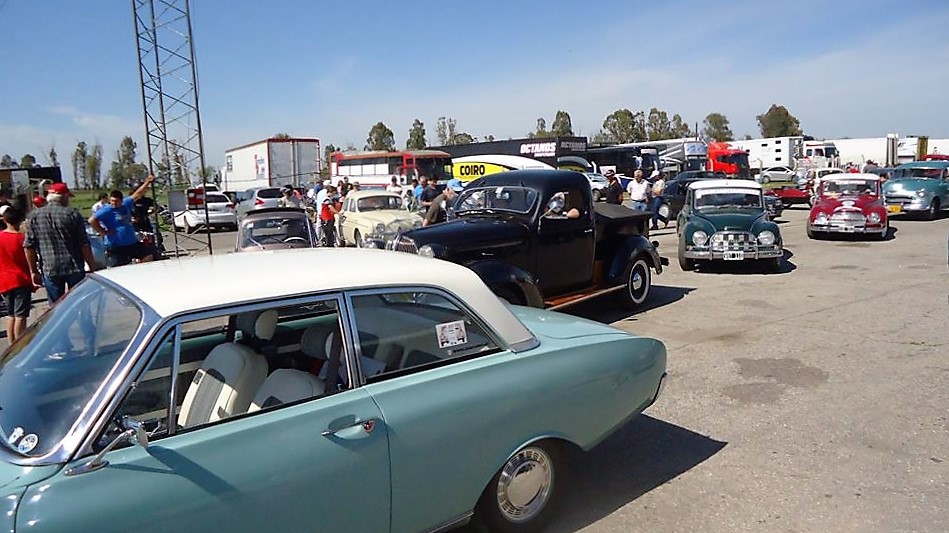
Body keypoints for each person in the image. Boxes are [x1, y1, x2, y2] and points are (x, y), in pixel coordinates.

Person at [24, 182, 98, 303]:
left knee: (56, 306)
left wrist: (33, 271)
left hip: (49, 267)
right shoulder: (72, 214)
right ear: (64, 196)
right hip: (74, 266)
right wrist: (92, 265)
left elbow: (29, 246)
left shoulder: (34, 216)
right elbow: (84, 244)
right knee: (79, 302)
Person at [90, 176, 156, 267]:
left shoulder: (126, 203)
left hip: (131, 242)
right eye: (112, 201)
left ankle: (140, 268)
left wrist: (147, 182)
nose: (114, 203)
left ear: (121, 201)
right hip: (116, 245)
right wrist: (103, 232)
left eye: (116, 201)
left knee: (148, 256)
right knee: (116, 267)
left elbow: (138, 194)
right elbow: (92, 220)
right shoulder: (106, 210)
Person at [0, 207, 35, 343]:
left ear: (5, 220)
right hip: (20, 279)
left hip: (4, 280)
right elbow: (28, 258)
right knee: (21, 315)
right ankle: (19, 343)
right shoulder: (21, 238)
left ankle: (11, 343)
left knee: (11, 314)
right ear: (20, 221)